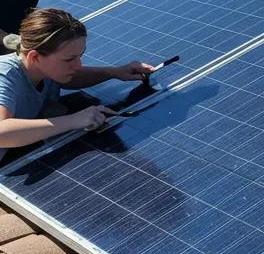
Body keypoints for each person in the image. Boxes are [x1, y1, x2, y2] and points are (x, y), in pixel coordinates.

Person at [0, 8, 154, 153]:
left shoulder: (43, 68)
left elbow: (70, 78)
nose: (78, 65)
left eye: (79, 56)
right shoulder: (4, 75)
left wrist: (113, 72)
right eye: (69, 59)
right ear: (34, 57)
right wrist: (74, 120)